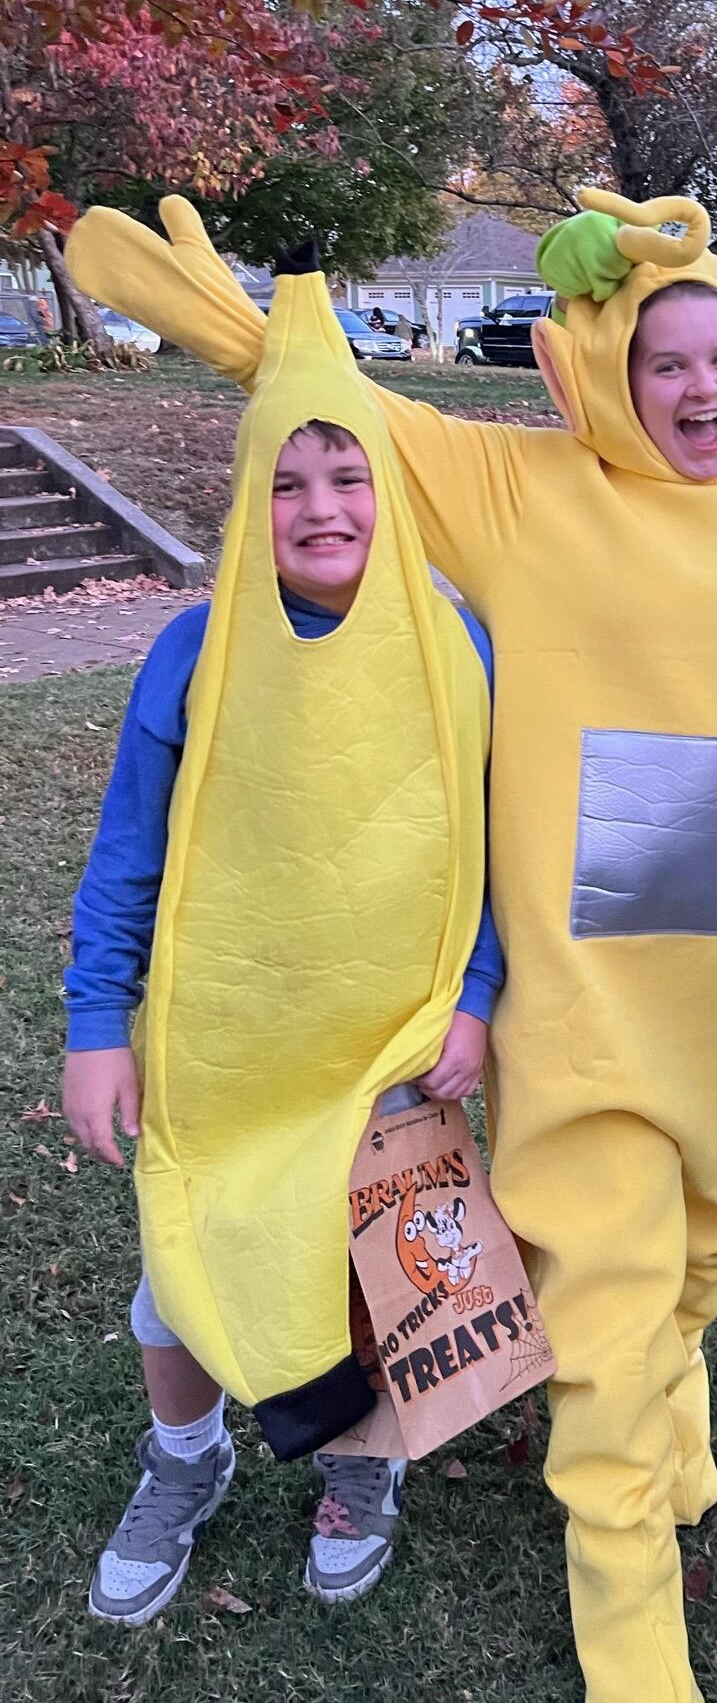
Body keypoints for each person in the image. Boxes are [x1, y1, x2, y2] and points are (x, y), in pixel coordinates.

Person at [66, 189, 717, 1703]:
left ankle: (674, 1443)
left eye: (716, 359)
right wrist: (241, 320)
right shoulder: (517, 490)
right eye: (657, 360)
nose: (694, 391)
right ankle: (634, 1651)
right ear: (594, 369)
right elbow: (339, 419)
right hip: (581, 1020)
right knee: (598, 1314)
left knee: (701, 1264)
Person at [60, 252, 501, 1625]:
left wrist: (476, 995)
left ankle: (363, 1468)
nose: (321, 506)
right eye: (286, 481)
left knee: (369, 1274)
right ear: (251, 504)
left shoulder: (456, 644)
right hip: (232, 1042)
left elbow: (491, 850)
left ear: (390, 486)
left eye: (348, 473)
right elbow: (133, 857)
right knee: (181, 1270)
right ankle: (181, 1453)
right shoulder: (197, 652)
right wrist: (94, 1024)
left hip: (386, 1035)